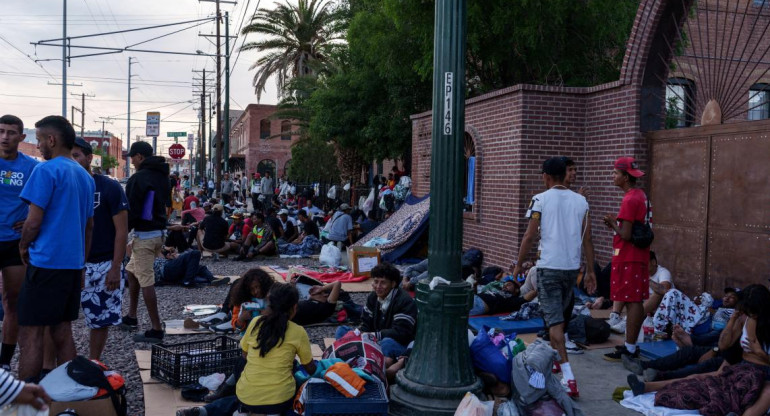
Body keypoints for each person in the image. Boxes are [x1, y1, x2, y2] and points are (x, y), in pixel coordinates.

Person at [17, 116, 95, 380]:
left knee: (31, 331)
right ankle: (67, 392)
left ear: (52, 140)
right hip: (71, 265)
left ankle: (24, 399)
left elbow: (33, 221)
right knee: (63, 330)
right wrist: (82, 262)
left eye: (39, 139)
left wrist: (23, 246)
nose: (37, 146)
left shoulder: (45, 170)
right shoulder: (84, 176)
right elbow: (88, 226)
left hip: (46, 262)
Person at [511, 156, 596, 398]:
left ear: (546, 176)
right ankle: (556, 359)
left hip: (548, 268)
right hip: (571, 269)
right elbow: (587, 239)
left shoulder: (539, 200)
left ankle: (569, 379)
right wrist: (590, 271)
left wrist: (518, 265)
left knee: (555, 325)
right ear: (564, 174)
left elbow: (529, 236)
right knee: (555, 319)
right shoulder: (582, 202)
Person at [626, 284, 770, 416]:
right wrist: (733, 320)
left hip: (760, 371)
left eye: (751, 312)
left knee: (708, 372)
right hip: (737, 363)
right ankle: (646, 385)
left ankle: (657, 376)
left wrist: (759, 352)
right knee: (697, 373)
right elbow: (724, 345)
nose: (749, 315)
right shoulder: (745, 319)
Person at [177, 284, 317, 416]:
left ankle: (214, 410)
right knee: (298, 384)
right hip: (278, 400)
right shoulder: (298, 332)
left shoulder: (256, 322)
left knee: (243, 386)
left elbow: (245, 355)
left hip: (246, 395)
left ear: (269, 304)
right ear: (294, 308)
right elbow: (310, 368)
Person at [72, 138, 129, 360]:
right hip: (69, 262)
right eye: (69, 156)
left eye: (77, 155)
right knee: (58, 319)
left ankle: (94, 362)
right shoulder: (63, 186)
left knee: (99, 319)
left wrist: (116, 266)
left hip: (102, 263)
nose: (73, 161)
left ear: (89, 158)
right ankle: (60, 367)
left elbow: (121, 231)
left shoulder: (109, 187)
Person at [603, 156, 651, 362]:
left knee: (632, 301)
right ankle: (630, 346)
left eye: (615, 173)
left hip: (629, 257)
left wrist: (613, 224)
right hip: (637, 256)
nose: (613, 176)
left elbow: (626, 235)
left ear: (625, 177)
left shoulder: (630, 199)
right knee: (634, 300)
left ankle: (630, 348)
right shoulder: (640, 195)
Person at [0, 115, 39, 372]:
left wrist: (28, 218)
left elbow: (42, 201)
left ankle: (4, 363)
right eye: (1, 131)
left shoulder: (31, 167)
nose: (5, 137)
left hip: (14, 243)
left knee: (12, 302)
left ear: (22, 137)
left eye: (11, 133)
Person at [122, 140, 170, 344]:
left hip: (145, 235)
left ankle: (156, 329)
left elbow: (130, 211)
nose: (131, 161)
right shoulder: (163, 175)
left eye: (132, 157)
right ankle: (131, 316)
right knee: (132, 271)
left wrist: (122, 234)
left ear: (140, 156)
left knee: (146, 280)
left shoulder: (138, 178)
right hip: (159, 233)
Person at [335, 263, 418, 365]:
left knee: (387, 343)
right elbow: (365, 324)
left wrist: (374, 335)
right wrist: (358, 334)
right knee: (342, 331)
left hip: (396, 343)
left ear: (393, 284)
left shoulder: (404, 301)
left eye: (383, 283)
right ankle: (359, 357)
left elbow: (401, 333)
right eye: (375, 282)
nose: (378, 286)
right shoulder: (373, 297)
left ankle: (364, 361)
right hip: (374, 340)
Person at [154, 247, 218, 287]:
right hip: (165, 269)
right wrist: (173, 256)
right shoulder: (155, 254)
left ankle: (212, 279)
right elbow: (165, 253)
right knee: (195, 253)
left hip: (170, 273)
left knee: (200, 267)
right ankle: (187, 281)